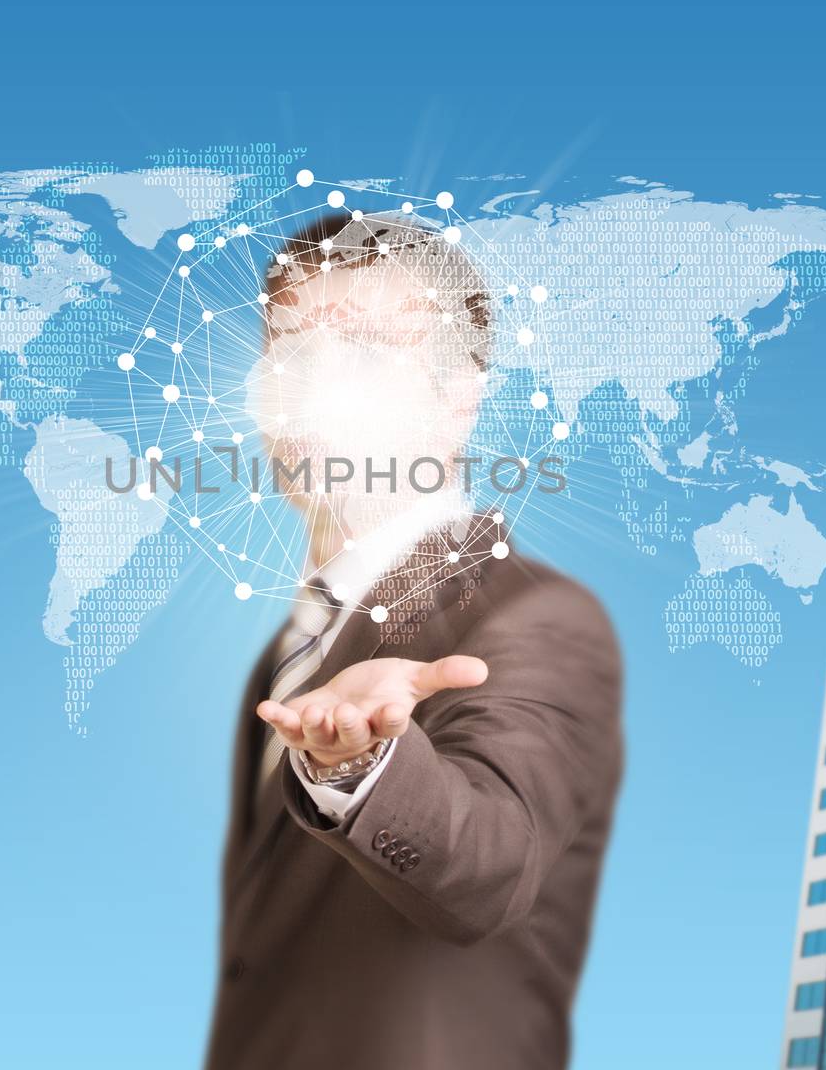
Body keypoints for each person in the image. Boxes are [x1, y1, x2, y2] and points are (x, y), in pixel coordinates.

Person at [203, 210, 625, 1070]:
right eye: (290, 348)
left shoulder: (537, 616)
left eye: (361, 351)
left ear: (457, 398)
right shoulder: (292, 652)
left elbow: (492, 865)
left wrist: (361, 768)